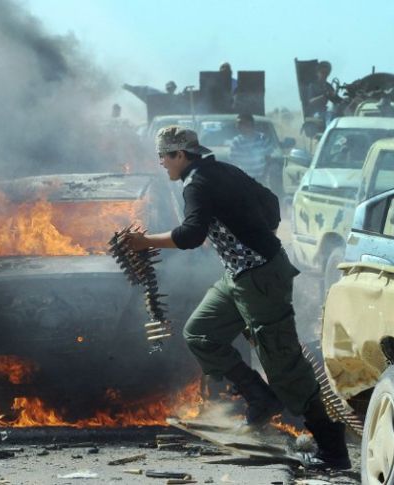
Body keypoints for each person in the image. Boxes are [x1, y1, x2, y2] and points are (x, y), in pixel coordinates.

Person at [121, 126, 351, 470]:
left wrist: (145, 242)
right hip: (240, 275)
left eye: (164, 157)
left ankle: (333, 449)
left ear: (181, 155)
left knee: (283, 362)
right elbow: (271, 206)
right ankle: (261, 399)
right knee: (200, 333)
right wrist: (251, 231)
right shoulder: (224, 169)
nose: (162, 164)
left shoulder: (196, 184)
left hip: (259, 278)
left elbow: (191, 235)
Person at [228, 113, 272, 182]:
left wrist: (265, 175)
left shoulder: (262, 138)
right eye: (237, 124)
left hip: (260, 178)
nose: (237, 126)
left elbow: (268, 159)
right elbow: (234, 162)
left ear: (249, 124)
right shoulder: (236, 142)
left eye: (240, 123)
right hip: (243, 179)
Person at [304, 61, 342, 125]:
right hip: (315, 113)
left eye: (326, 73)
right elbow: (311, 101)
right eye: (323, 73)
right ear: (317, 73)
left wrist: (346, 100)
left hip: (325, 111)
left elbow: (336, 99)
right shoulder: (313, 86)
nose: (325, 75)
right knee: (329, 115)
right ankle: (329, 131)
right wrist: (324, 96)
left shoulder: (328, 86)